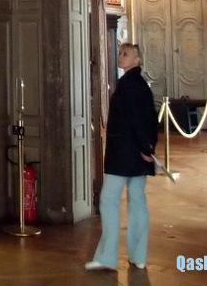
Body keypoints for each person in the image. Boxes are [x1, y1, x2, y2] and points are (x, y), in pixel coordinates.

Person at [85, 42, 158, 272]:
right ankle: (139, 256)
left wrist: (145, 148)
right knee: (137, 201)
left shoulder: (128, 84)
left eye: (126, 54)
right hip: (137, 154)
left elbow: (137, 119)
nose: (121, 56)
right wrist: (148, 147)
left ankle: (107, 257)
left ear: (137, 60)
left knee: (108, 201)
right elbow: (151, 119)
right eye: (120, 53)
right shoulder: (141, 84)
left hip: (124, 154)